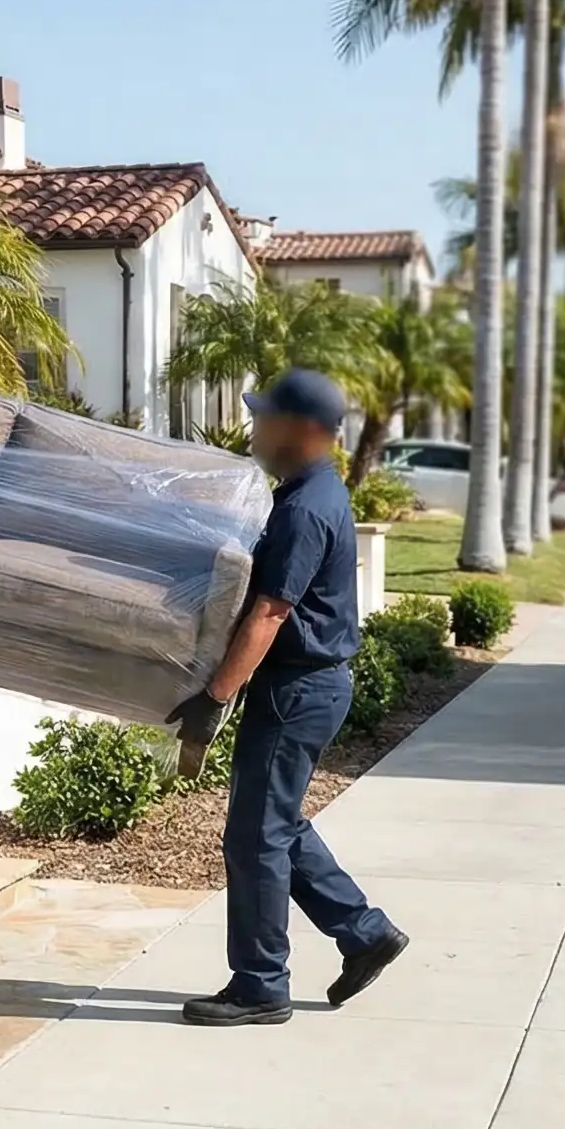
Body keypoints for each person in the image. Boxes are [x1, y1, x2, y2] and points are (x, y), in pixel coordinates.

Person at [168, 369, 411, 1026]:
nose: (255, 426)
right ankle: (363, 931)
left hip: (297, 687)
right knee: (272, 826)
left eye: (266, 417)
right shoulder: (308, 492)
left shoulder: (306, 508)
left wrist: (214, 695)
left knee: (255, 839)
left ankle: (259, 985)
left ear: (303, 430)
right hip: (305, 687)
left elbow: (272, 613)